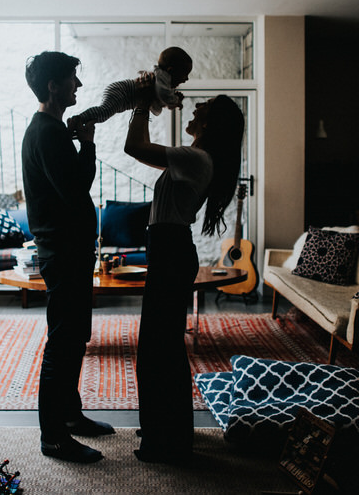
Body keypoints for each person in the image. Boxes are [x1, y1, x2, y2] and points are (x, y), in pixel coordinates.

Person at [124, 93, 245, 464]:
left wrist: (142, 102)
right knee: (161, 348)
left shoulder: (196, 159)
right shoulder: (193, 158)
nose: (195, 108)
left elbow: (134, 147)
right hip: (169, 249)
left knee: (158, 350)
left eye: (203, 106)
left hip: (171, 250)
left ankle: (168, 439)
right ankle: (166, 429)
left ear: (211, 123)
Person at [22, 51, 114, 464]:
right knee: (63, 342)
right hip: (63, 252)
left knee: (75, 336)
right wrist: (89, 145)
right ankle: (54, 437)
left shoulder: (51, 130)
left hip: (68, 250)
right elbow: (76, 188)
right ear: (53, 85)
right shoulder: (47, 132)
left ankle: (71, 416)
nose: (78, 85)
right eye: (72, 78)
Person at [69, 46, 193, 128]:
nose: (186, 79)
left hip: (122, 94)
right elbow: (164, 95)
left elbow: (160, 101)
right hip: (122, 91)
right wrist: (175, 101)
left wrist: (173, 101)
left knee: (102, 115)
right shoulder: (162, 77)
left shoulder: (162, 81)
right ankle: (78, 119)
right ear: (171, 70)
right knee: (104, 111)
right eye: (184, 75)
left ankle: (81, 122)